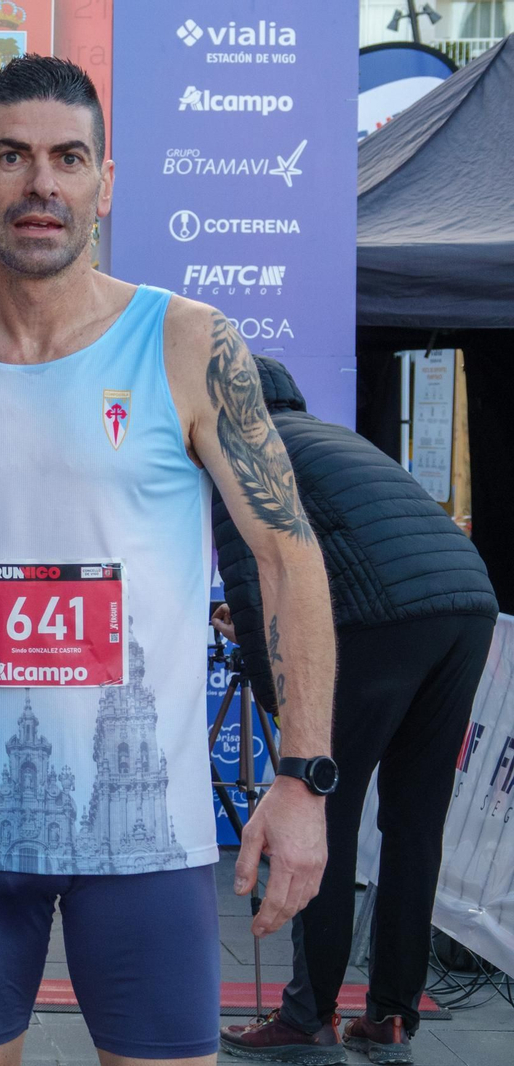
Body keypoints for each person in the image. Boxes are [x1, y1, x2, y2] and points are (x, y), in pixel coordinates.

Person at [0, 56, 337, 1065]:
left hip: (146, 838)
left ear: (104, 182)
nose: (42, 183)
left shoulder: (187, 342)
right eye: (13, 157)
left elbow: (289, 560)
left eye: (68, 158)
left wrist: (300, 781)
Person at [214, 357, 497, 1064]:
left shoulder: (241, 449)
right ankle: (391, 1016)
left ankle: (308, 1018)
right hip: (467, 601)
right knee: (414, 820)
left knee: (320, 811)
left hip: (387, 620)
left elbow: (259, 591)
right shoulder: (329, 436)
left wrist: (290, 722)